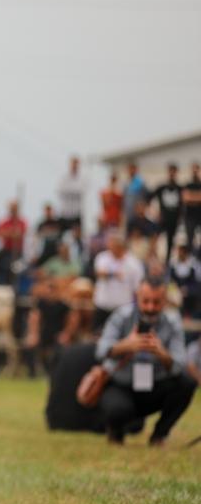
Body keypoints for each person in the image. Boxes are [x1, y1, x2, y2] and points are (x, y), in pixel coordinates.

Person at [95, 277, 197, 445]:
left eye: (156, 302)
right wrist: (126, 345)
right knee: (117, 409)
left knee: (187, 382)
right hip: (122, 385)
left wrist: (161, 353)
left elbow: (180, 364)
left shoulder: (172, 321)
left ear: (165, 300)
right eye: (146, 301)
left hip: (155, 386)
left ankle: (159, 435)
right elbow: (100, 351)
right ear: (137, 297)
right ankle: (116, 433)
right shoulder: (122, 315)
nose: (150, 307)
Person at [151, 163, 183, 264]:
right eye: (170, 171)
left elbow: (183, 205)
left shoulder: (180, 188)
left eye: (174, 172)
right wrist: (154, 212)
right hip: (163, 219)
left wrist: (180, 217)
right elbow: (149, 198)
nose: (172, 174)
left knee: (171, 242)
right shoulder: (162, 187)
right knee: (155, 236)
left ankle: (168, 262)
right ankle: (153, 256)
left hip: (173, 220)